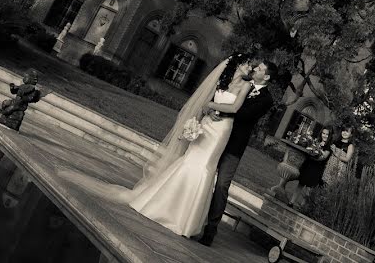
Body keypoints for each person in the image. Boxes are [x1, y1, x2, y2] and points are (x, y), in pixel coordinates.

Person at [59, 55, 264, 240]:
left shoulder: (246, 86)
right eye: (248, 64)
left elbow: (235, 108)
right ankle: (164, 206)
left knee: (205, 167)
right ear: (237, 64)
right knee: (190, 160)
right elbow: (206, 102)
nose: (250, 68)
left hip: (221, 131)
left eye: (253, 66)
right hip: (209, 125)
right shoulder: (222, 80)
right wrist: (204, 113)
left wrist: (212, 107)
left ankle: (188, 220)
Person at [197, 60, 276, 246]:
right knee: (202, 174)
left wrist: (216, 108)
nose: (255, 68)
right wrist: (211, 111)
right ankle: (192, 217)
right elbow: (222, 98)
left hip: (234, 145)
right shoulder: (239, 82)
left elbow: (243, 113)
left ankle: (210, 230)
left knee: (222, 184)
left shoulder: (266, 99)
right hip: (214, 136)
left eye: (260, 68)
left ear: (266, 77)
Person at [289, 126, 331, 210]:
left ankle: (302, 207)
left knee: (309, 188)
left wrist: (315, 154)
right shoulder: (315, 141)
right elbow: (309, 149)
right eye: (323, 133)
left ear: (329, 135)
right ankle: (291, 202)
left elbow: (323, 157)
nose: (325, 135)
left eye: (327, 134)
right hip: (308, 165)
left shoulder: (329, 146)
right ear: (321, 133)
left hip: (317, 168)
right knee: (300, 184)